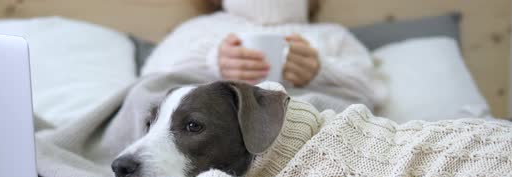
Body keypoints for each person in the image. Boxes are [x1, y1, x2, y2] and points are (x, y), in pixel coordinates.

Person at [141, 0, 387, 109]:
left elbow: (372, 95)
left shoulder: (332, 36)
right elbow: (150, 84)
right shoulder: (197, 30)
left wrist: (321, 72)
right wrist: (211, 64)